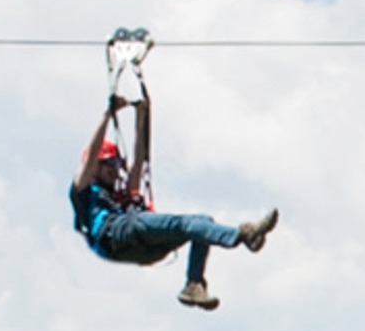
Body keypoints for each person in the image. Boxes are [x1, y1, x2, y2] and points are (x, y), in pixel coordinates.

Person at [70, 76, 278, 309]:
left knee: (202, 224)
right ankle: (242, 235)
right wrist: (108, 114)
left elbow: (139, 161)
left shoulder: (120, 194)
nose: (114, 169)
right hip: (119, 235)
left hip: (141, 247)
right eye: (108, 164)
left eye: (115, 164)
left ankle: (193, 285)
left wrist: (142, 116)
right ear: (96, 165)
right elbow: (90, 163)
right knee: (185, 223)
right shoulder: (84, 191)